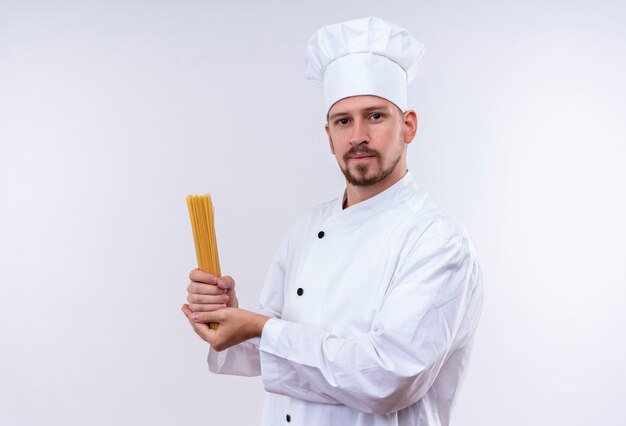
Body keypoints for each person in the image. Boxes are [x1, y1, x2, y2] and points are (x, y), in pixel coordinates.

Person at [181, 16, 484, 426]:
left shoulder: (436, 239)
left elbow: (387, 377)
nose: (357, 135)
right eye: (344, 120)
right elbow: (268, 344)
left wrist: (261, 327)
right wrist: (226, 316)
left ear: (408, 126)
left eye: (375, 116)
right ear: (328, 136)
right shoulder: (307, 228)